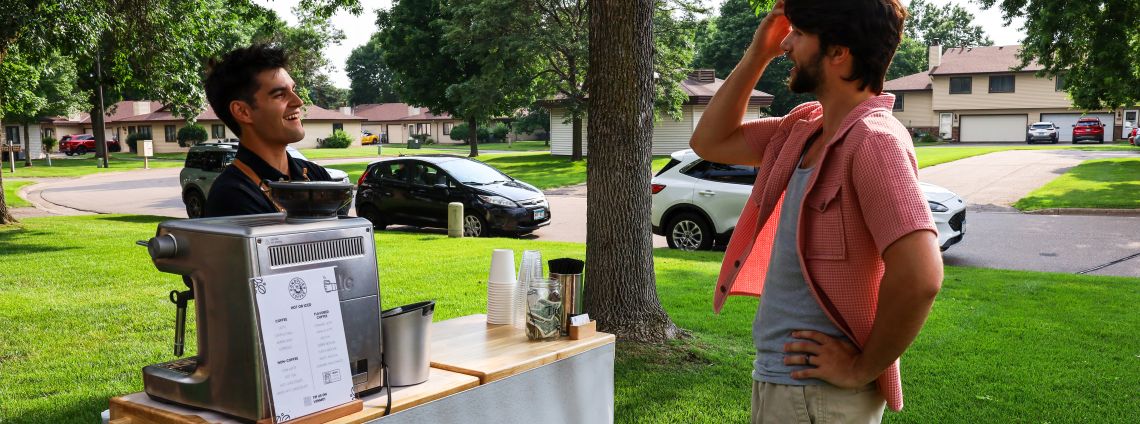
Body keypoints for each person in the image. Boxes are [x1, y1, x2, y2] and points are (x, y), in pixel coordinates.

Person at [689, 1, 943, 423]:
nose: (786, 43)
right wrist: (758, 53)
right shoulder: (804, 128)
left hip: (818, 399)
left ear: (838, 51)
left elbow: (921, 276)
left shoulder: (873, 141)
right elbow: (711, 141)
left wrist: (862, 368)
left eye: (800, 34)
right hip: (787, 385)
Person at [202, 44, 336, 218]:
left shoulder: (316, 176)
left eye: (293, 90)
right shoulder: (232, 196)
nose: (298, 101)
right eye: (280, 94)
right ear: (242, 111)